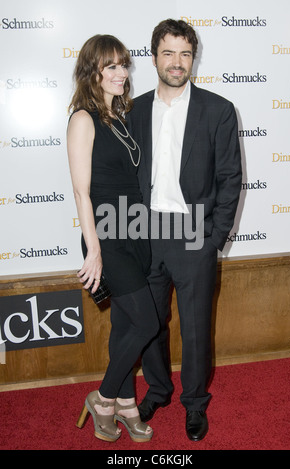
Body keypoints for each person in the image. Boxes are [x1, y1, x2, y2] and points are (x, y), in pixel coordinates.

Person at [127, 19, 242, 441]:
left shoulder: (218, 109)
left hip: (195, 230)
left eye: (185, 54)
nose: (177, 62)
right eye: (169, 53)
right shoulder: (133, 110)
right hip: (143, 229)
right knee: (150, 323)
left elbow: (231, 178)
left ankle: (195, 403)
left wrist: (216, 238)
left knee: (195, 327)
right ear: (154, 56)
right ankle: (158, 389)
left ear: (194, 57)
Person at [67, 34, 159, 443]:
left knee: (126, 324)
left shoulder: (119, 116)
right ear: (93, 71)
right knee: (147, 321)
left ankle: (126, 403)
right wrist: (95, 251)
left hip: (136, 229)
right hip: (107, 234)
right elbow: (81, 191)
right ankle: (103, 398)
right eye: (111, 66)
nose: (121, 73)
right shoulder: (83, 118)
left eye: (124, 64)